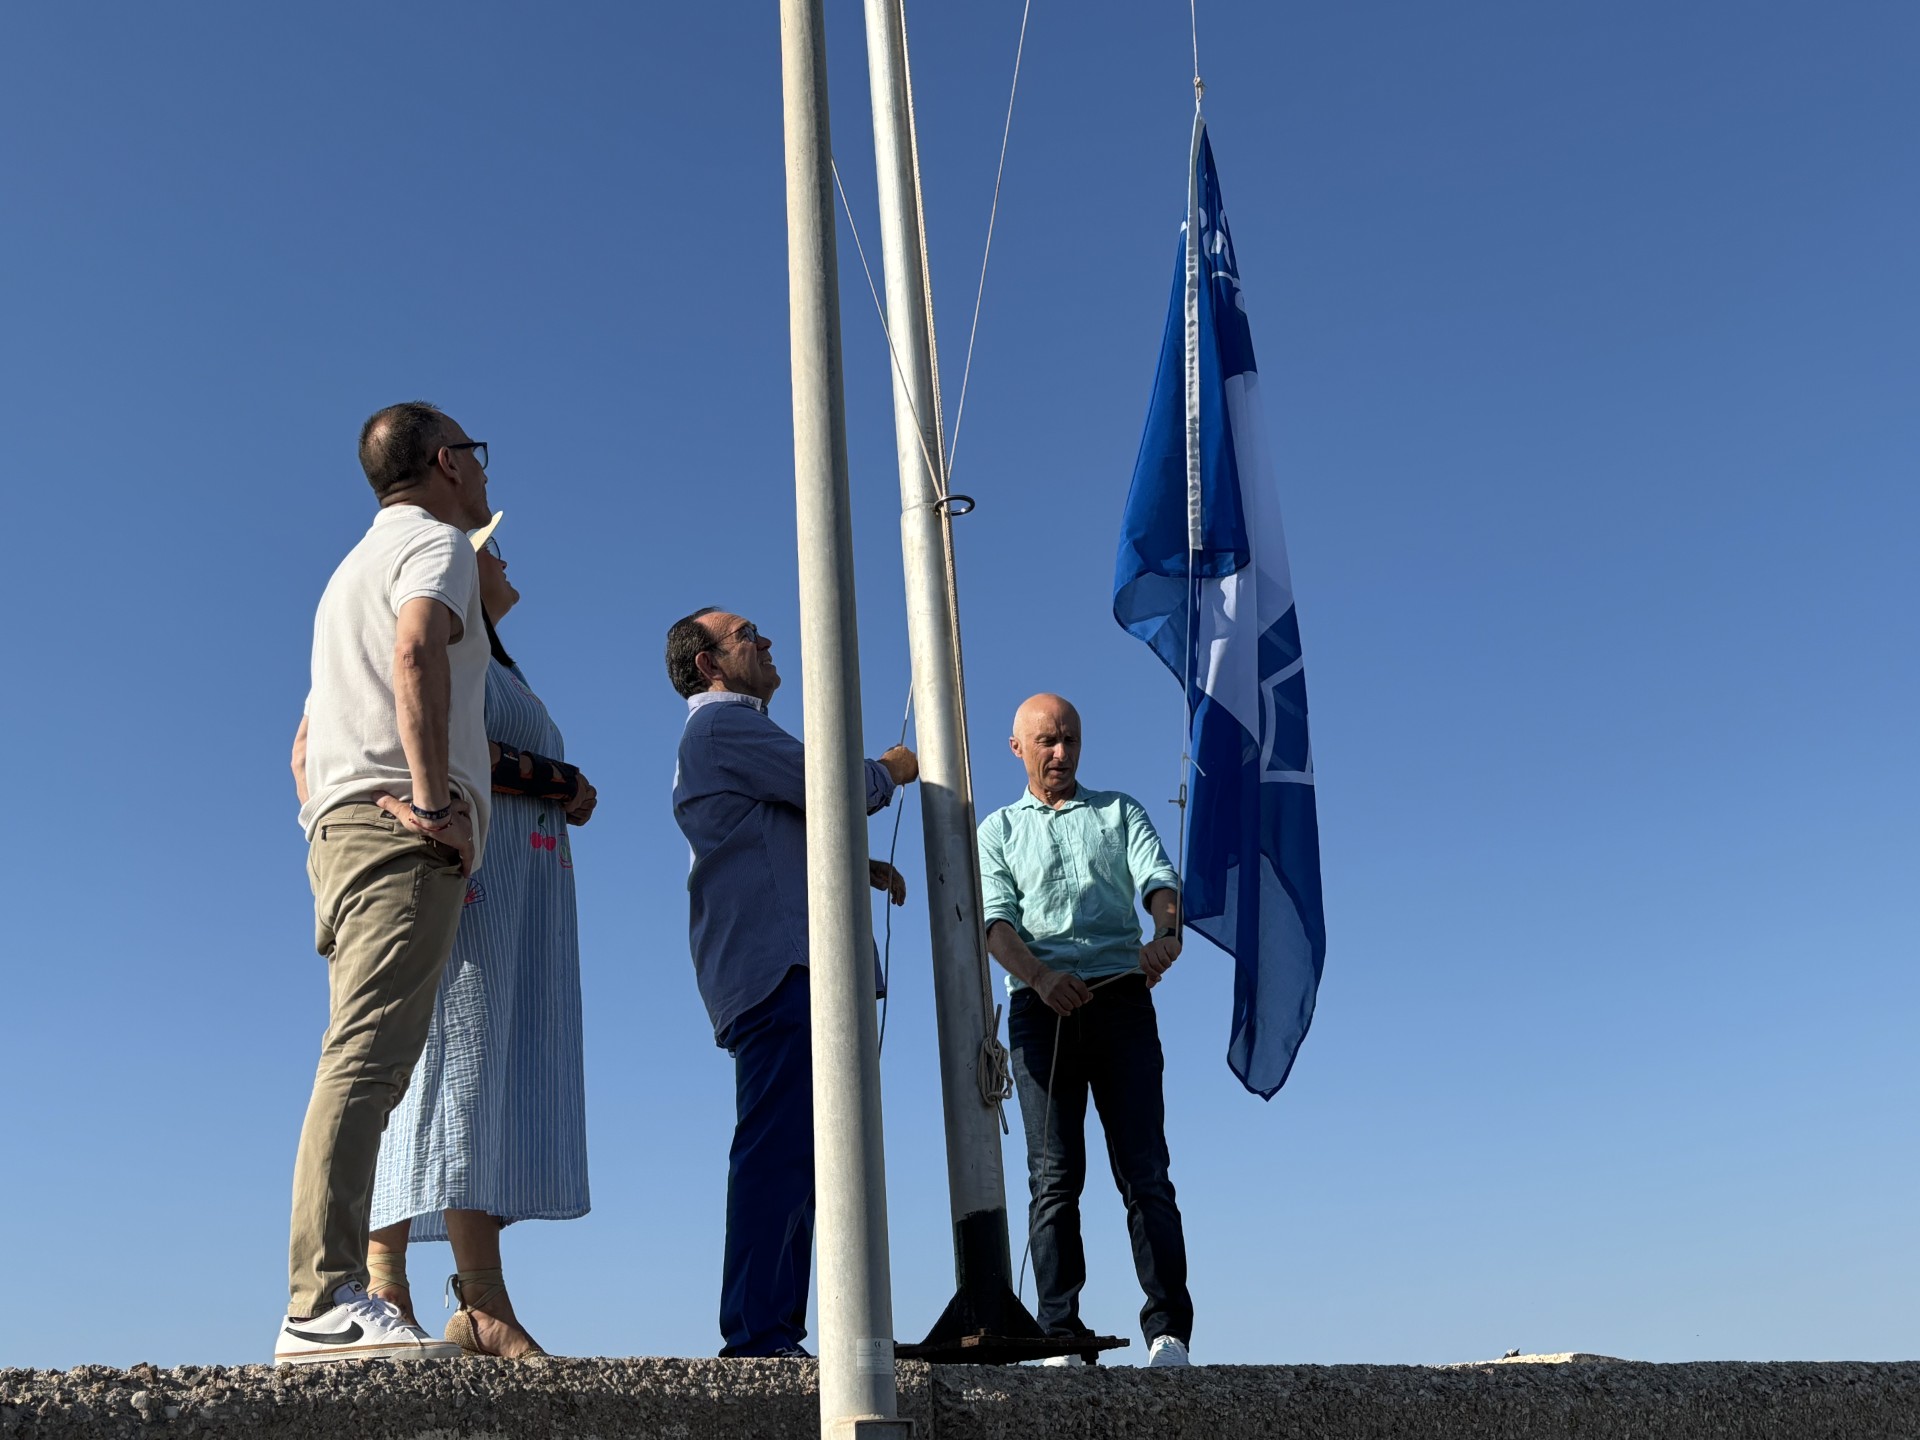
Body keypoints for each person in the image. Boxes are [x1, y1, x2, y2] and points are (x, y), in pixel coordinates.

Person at [278, 401, 494, 1365]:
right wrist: (430, 800)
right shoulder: (436, 545)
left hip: (340, 831)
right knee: (364, 1059)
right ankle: (321, 1299)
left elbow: (302, 741)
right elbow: (416, 651)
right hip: (396, 834)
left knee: (361, 1056)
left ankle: (328, 1296)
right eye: (475, 455)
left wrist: (325, 817)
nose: (483, 474)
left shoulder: (342, 575)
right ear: (447, 463)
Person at [365, 512, 597, 1359]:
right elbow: (446, 739)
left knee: (475, 1074)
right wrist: (561, 777)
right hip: (474, 883)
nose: (502, 556)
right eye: (489, 546)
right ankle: (453, 1292)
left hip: (518, 890)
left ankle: (419, 1285)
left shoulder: (493, 652)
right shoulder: (450, 637)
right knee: (447, 1068)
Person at [667, 607, 917, 1358]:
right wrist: (895, 770)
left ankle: (782, 1327)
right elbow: (835, 785)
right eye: (746, 636)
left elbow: (776, 824)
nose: (766, 641)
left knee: (810, 1152)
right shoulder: (722, 726)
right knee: (783, 1148)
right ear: (710, 664)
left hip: (787, 967)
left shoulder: (726, 736)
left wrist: (852, 863)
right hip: (783, 971)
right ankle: (758, 1333)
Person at [977, 693, 1195, 1369]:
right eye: (1046, 742)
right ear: (1017, 748)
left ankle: (1169, 1332)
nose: (1060, 755)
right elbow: (995, 925)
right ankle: (1059, 1333)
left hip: (1121, 1001)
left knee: (1145, 1171)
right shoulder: (996, 832)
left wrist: (1165, 931)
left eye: (1070, 740)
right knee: (1053, 1177)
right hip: (1042, 1014)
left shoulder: (1119, 811)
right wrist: (1041, 979)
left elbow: (1160, 882)